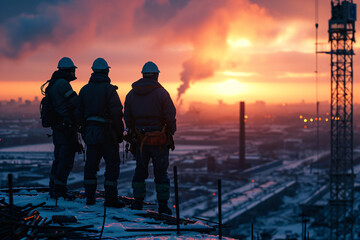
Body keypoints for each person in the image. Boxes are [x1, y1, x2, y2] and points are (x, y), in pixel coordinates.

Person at [124, 61, 176, 214]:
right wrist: (171, 131)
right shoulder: (162, 93)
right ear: (156, 75)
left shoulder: (131, 94)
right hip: (159, 140)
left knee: (140, 170)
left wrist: (133, 132)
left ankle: (137, 202)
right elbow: (170, 115)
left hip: (140, 140)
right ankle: (162, 205)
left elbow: (127, 116)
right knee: (161, 172)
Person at [78, 58, 125, 208]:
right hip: (107, 134)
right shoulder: (109, 90)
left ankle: (90, 197)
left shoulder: (84, 90)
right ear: (106, 71)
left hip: (91, 134)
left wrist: (85, 131)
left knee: (91, 165)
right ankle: (110, 199)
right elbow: (117, 113)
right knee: (112, 165)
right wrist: (119, 133)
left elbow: (79, 115)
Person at [46, 57, 80, 199]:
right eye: (73, 70)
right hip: (65, 128)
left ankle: (54, 187)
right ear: (69, 70)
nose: (74, 73)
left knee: (59, 158)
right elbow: (75, 102)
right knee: (65, 160)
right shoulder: (63, 84)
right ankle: (59, 189)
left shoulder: (54, 83)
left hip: (58, 127)